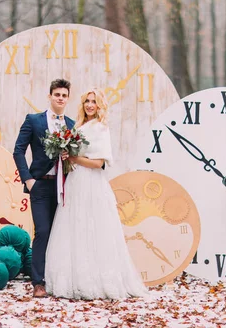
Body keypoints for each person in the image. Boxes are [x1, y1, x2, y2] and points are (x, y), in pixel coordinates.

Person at [44, 88, 149, 299]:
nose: (90, 105)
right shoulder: (79, 126)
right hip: (75, 182)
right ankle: (73, 279)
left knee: (93, 228)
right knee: (74, 227)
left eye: (94, 102)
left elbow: (98, 163)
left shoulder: (100, 128)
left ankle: (96, 280)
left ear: (100, 106)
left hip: (91, 183)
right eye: (87, 102)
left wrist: (73, 159)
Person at [13, 78, 75, 298]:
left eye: (64, 95)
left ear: (68, 98)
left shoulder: (72, 124)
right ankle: (38, 282)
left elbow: (76, 157)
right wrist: (28, 180)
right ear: (50, 96)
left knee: (61, 234)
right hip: (39, 185)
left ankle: (58, 278)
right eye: (57, 94)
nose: (60, 98)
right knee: (43, 232)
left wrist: (70, 157)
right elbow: (18, 151)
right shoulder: (34, 120)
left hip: (63, 187)